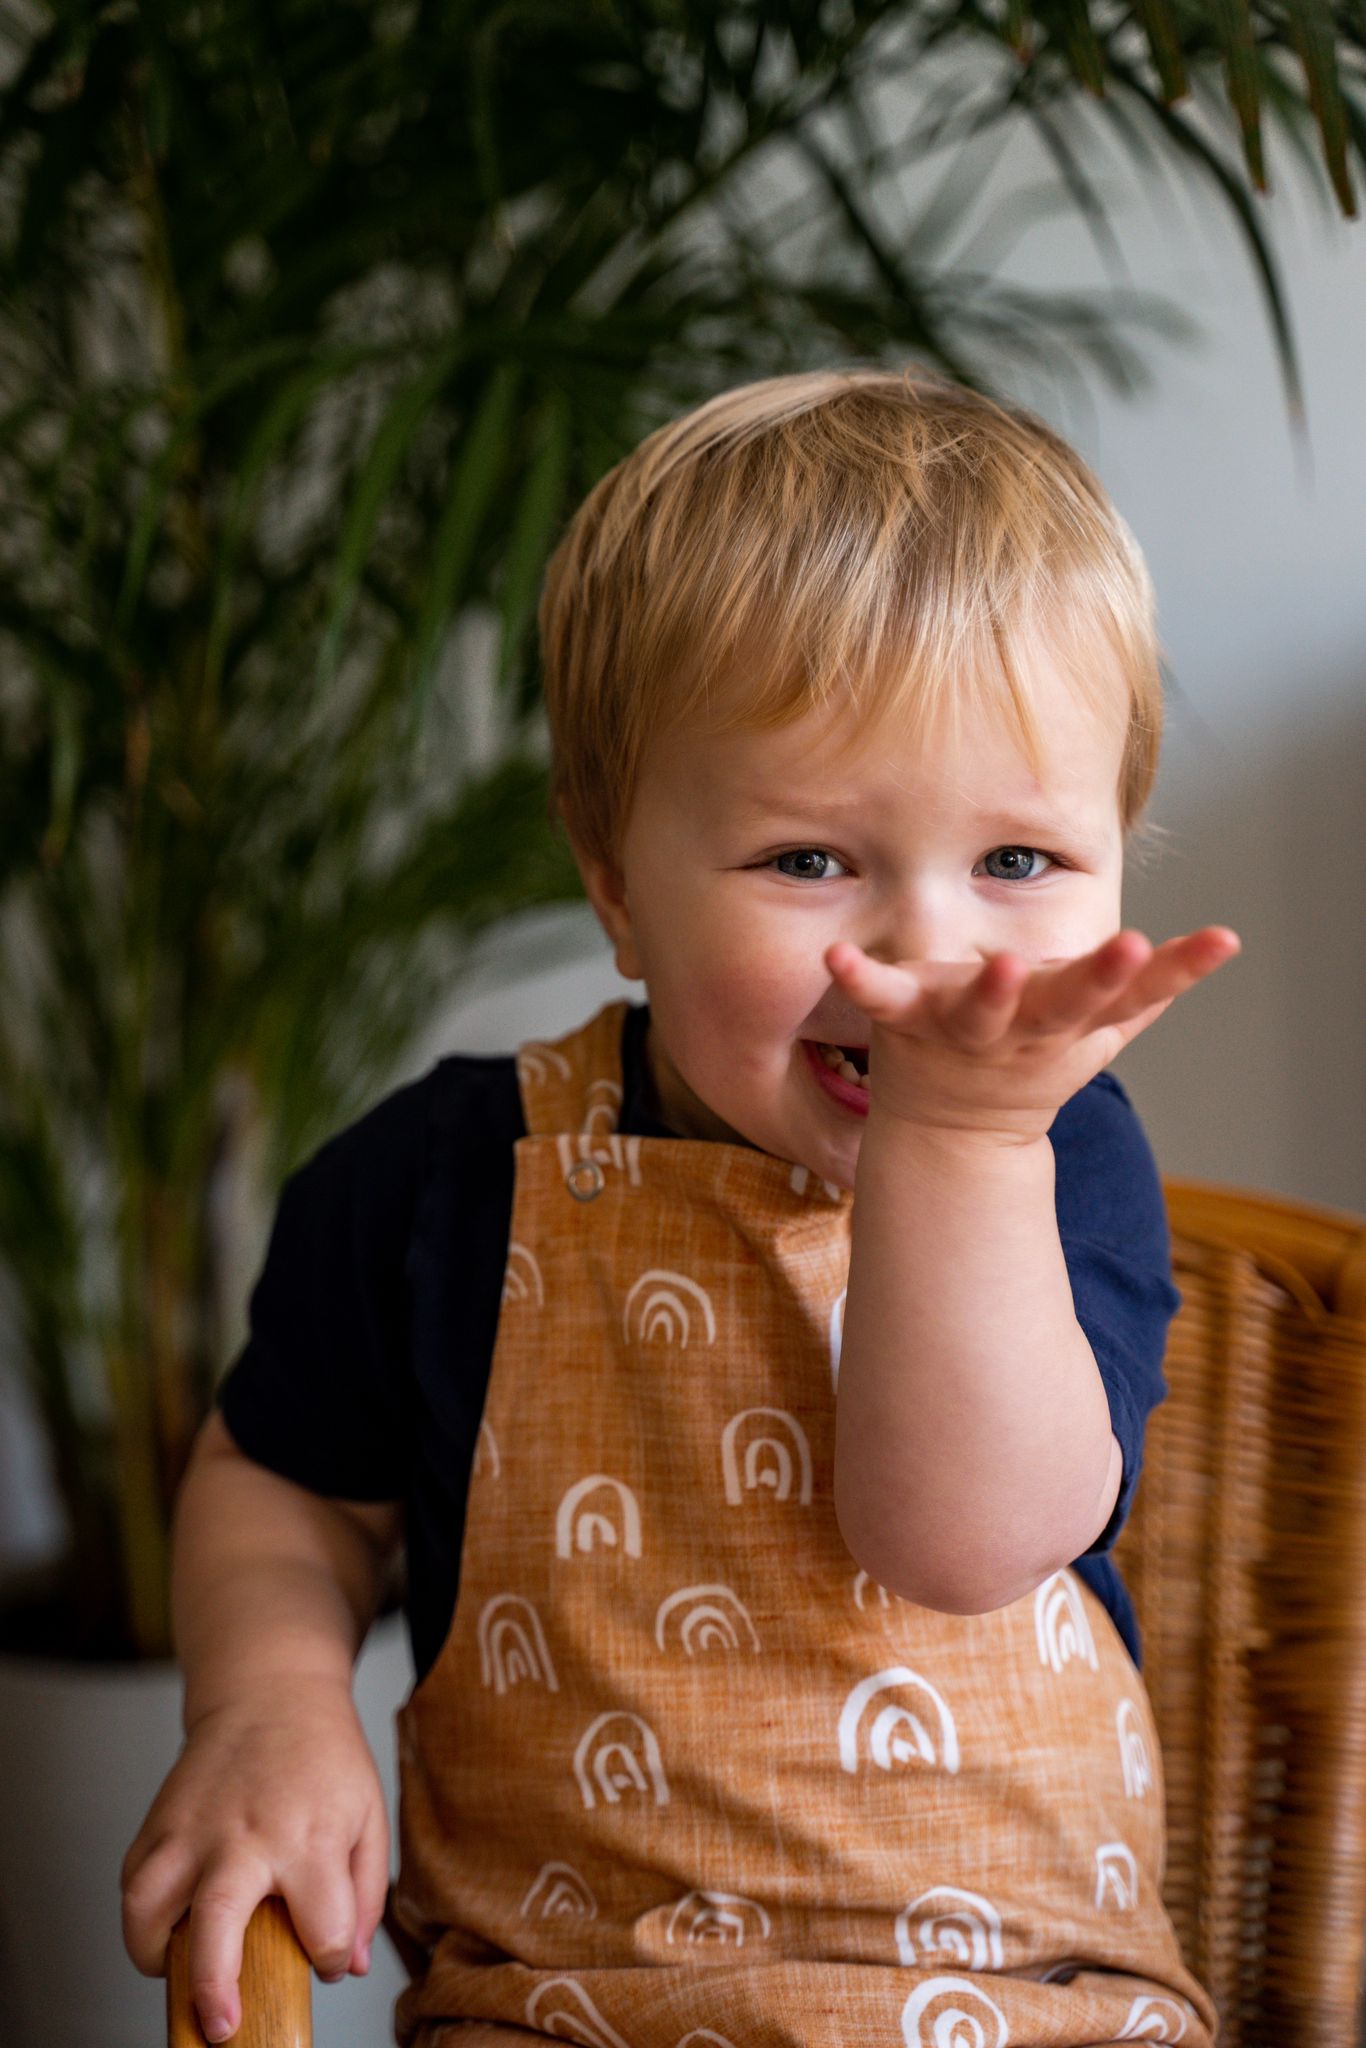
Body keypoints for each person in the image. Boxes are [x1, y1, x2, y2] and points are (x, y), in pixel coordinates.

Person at [122, 367, 1238, 2047]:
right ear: (612, 880)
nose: (925, 952)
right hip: (557, 2008)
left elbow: (960, 1540)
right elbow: (284, 1482)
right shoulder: (446, 1182)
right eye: (808, 860)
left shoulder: (1062, 1156)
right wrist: (272, 1699)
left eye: (1018, 863)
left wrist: (971, 1149)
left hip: (1033, 2010)